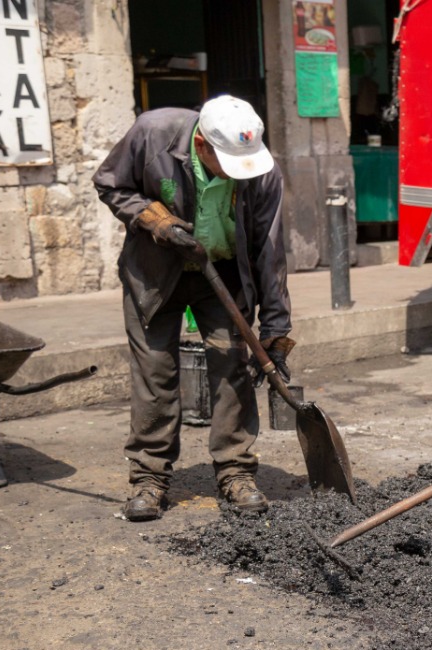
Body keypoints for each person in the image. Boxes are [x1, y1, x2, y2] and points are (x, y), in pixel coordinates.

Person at [94, 95, 294, 522]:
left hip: (221, 274)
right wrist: (155, 220)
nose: (236, 172)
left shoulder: (260, 170)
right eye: (226, 162)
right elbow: (111, 184)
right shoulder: (153, 133)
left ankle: (236, 472)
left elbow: (270, 252)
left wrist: (276, 329)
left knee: (231, 365)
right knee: (155, 372)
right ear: (201, 145)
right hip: (154, 273)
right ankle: (149, 478)